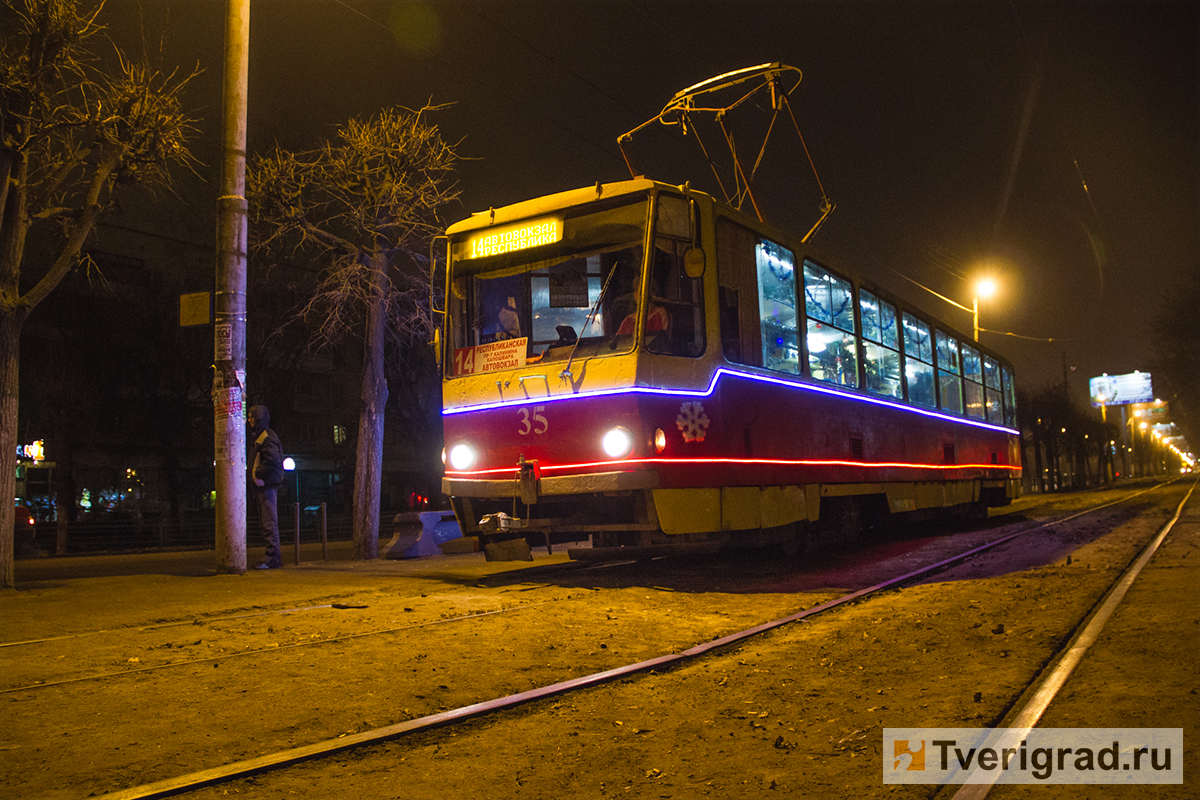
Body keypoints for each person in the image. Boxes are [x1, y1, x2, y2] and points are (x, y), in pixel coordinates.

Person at [247, 405, 285, 569]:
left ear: (259, 418)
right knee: (267, 522)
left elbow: (272, 460)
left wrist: (258, 474)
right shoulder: (262, 435)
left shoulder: (266, 437)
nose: (249, 420)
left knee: (269, 523)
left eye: (252, 417)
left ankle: (272, 558)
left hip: (266, 486)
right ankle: (271, 557)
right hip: (263, 486)